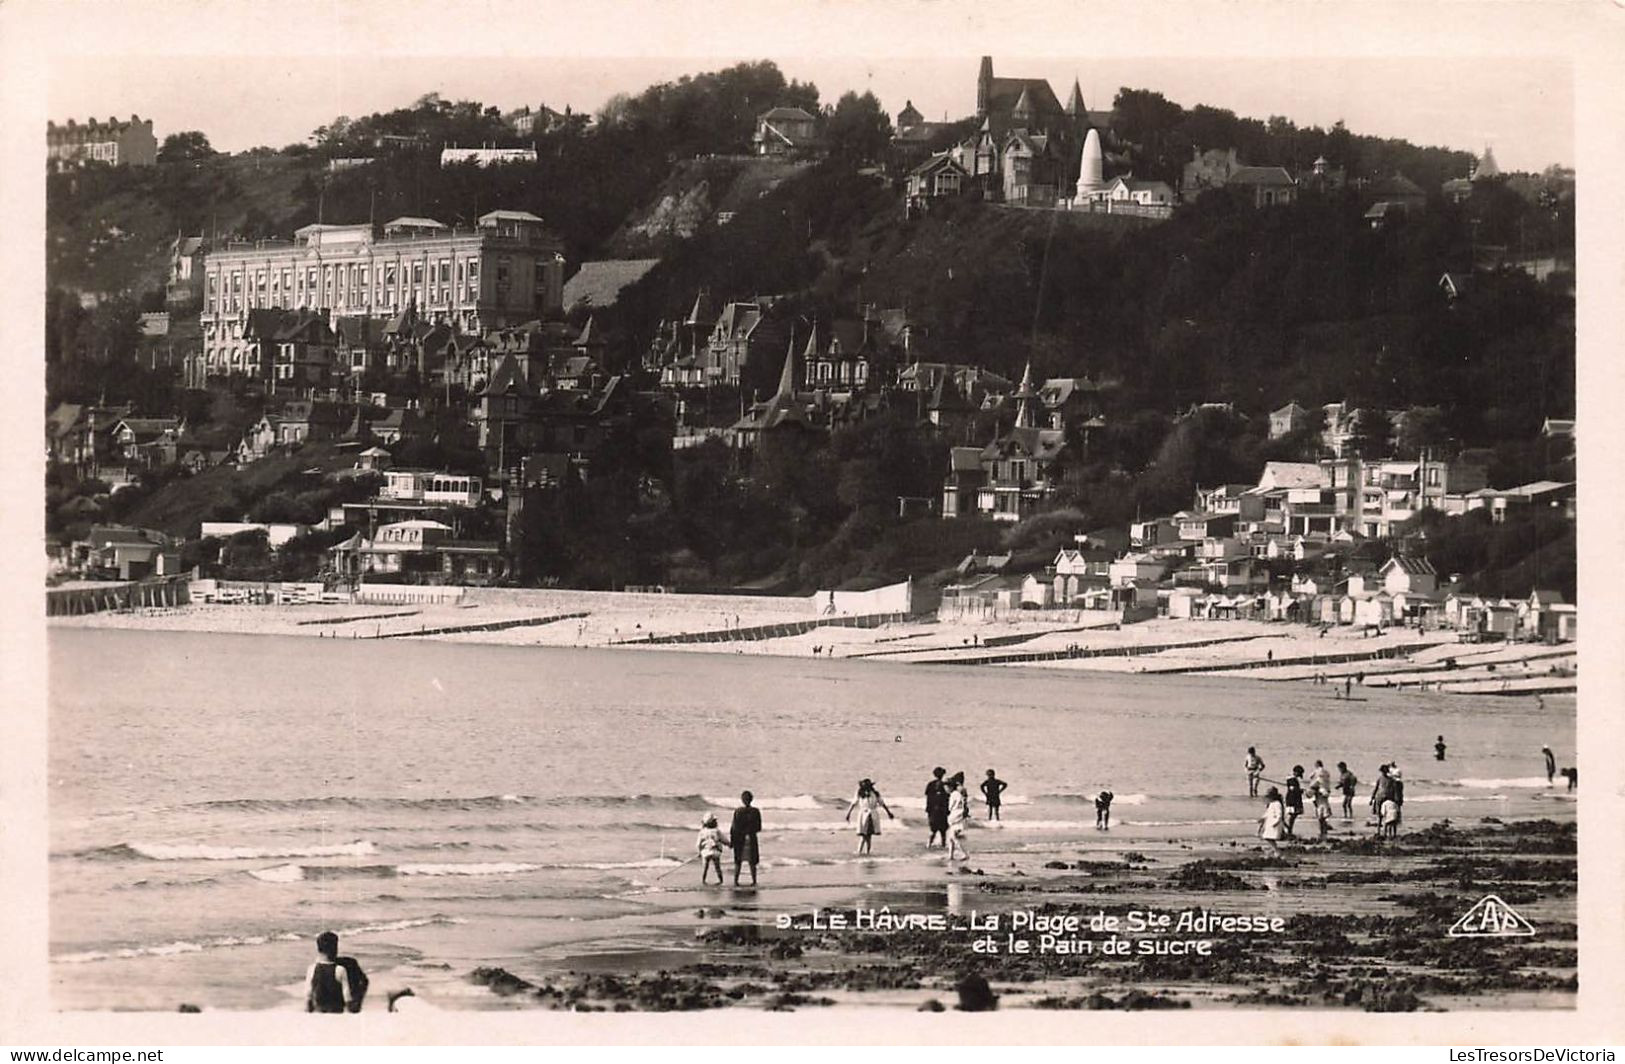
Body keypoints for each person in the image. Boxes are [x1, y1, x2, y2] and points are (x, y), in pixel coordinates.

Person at [305, 931, 354, 1014]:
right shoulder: (340, 970)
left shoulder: (312, 969)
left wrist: (308, 1013)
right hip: (336, 1012)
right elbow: (347, 997)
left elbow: (308, 995)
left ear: (318, 949)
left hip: (319, 1013)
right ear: (335, 949)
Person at [845, 778, 894, 855]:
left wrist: (889, 813)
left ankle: (864, 851)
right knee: (864, 835)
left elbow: (882, 803)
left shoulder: (875, 794)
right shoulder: (860, 794)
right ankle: (861, 851)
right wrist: (848, 814)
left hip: (872, 814)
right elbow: (853, 803)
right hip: (863, 814)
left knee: (868, 835)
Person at [730, 791, 762, 886]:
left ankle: (736, 881)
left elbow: (734, 828)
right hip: (751, 838)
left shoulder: (738, 811)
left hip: (739, 838)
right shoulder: (756, 811)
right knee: (752, 862)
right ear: (751, 799)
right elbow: (759, 827)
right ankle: (754, 881)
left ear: (742, 800)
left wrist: (732, 841)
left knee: (738, 861)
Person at [696, 814, 727, 885]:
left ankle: (703, 880)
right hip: (715, 851)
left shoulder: (702, 832)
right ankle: (720, 880)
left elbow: (698, 844)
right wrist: (729, 844)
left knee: (705, 867)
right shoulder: (717, 831)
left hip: (705, 852)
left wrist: (699, 852)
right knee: (717, 867)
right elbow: (724, 840)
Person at [945, 775, 970, 862]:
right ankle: (950, 855)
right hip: (958, 818)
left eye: (947, 787)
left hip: (957, 818)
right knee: (951, 838)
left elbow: (952, 807)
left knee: (954, 837)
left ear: (950, 787)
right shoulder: (957, 794)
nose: (946, 789)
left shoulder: (954, 794)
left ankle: (965, 854)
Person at [925, 767, 950, 849]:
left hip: (932, 810)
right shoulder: (945, 786)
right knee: (943, 831)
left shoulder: (930, 784)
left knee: (933, 830)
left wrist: (928, 809)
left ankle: (929, 844)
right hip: (942, 810)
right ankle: (943, 845)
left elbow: (928, 798)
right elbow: (947, 798)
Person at [1257, 787, 1285, 856]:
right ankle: (1274, 849)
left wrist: (1276, 822)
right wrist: (1262, 818)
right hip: (1270, 823)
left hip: (1274, 824)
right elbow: (1268, 813)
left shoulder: (1277, 804)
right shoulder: (1272, 804)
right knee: (1268, 837)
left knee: (1268, 837)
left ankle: (1276, 850)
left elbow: (1279, 814)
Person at [1283, 768, 1304, 838]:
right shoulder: (1292, 779)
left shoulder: (1292, 778)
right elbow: (1292, 789)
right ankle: (1289, 829)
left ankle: (1289, 829)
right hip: (1292, 799)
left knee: (1293, 815)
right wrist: (1300, 791)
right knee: (1293, 815)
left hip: (1293, 798)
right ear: (1296, 772)